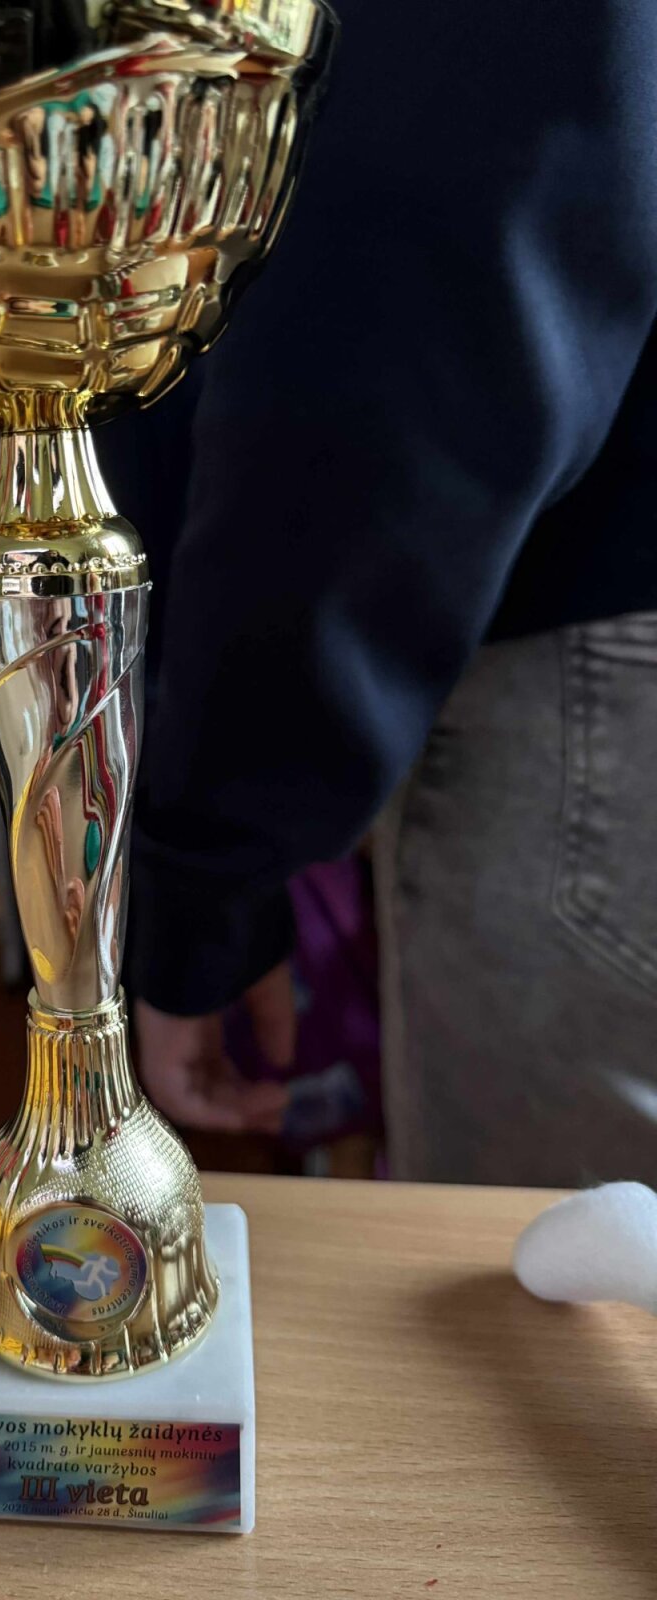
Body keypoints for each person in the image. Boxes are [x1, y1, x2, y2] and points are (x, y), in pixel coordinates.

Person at [98, 0, 657, 1187]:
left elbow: (400, 292)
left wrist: (208, 881)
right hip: (539, 653)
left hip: (578, 669)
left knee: (545, 1279)